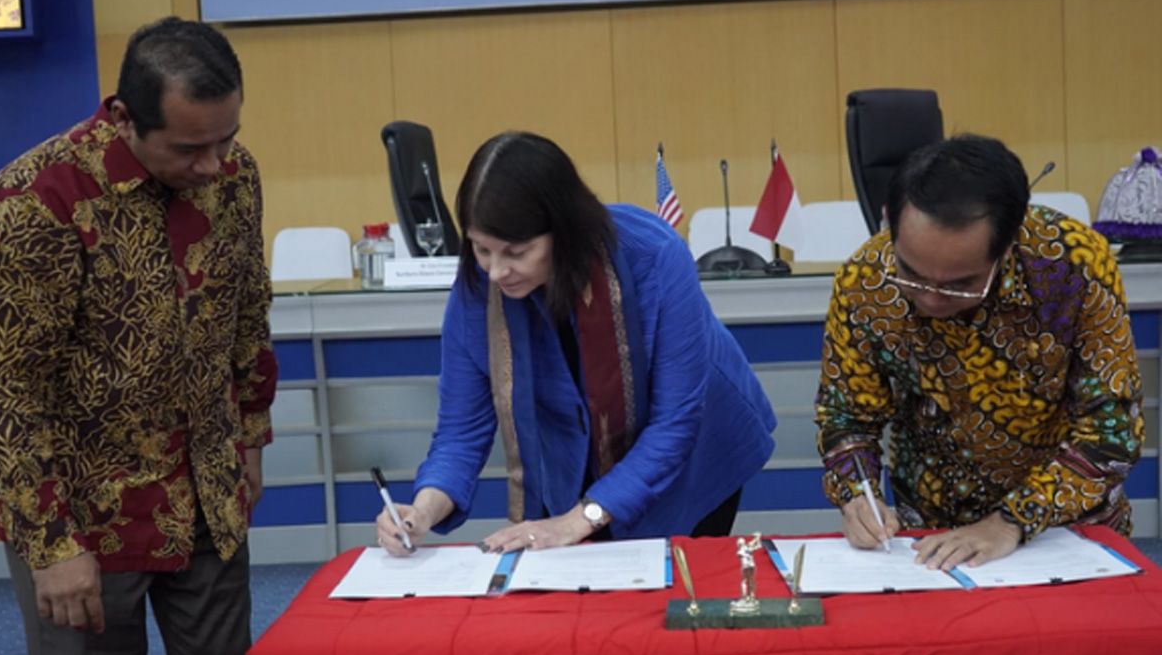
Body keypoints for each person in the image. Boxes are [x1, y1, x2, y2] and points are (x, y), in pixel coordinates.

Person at [0, 17, 276, 655]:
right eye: (191, 148)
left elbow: (247, 308)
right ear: (124, 118)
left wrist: (250, 434)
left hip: (205, 497)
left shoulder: (233, 176)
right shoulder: (35, 203)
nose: (213, 165)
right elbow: (7, 392)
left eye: (227, 139)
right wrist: (51, 547)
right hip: (83, 518)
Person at [375, 131, 777, 555]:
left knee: (667, 593)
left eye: (517, 251)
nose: (496, 271)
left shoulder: (655, 255)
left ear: (562, 231)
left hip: (694, 455)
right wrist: (422, 510)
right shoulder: (478, 289)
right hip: (578, 453)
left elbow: (675, 422)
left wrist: (577, 520)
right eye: (481, 249)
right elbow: (461, 430)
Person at [816, 133, 1143, 571]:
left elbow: (1112, 431)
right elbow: (848, 417)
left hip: (1065, 537)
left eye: (959, 285)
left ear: (1006, 249)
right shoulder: (865, 283)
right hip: (930, 544)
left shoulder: (1074, 267)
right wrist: (859, 494)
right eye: (912, 274)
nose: (931, 298)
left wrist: (1011, 521)